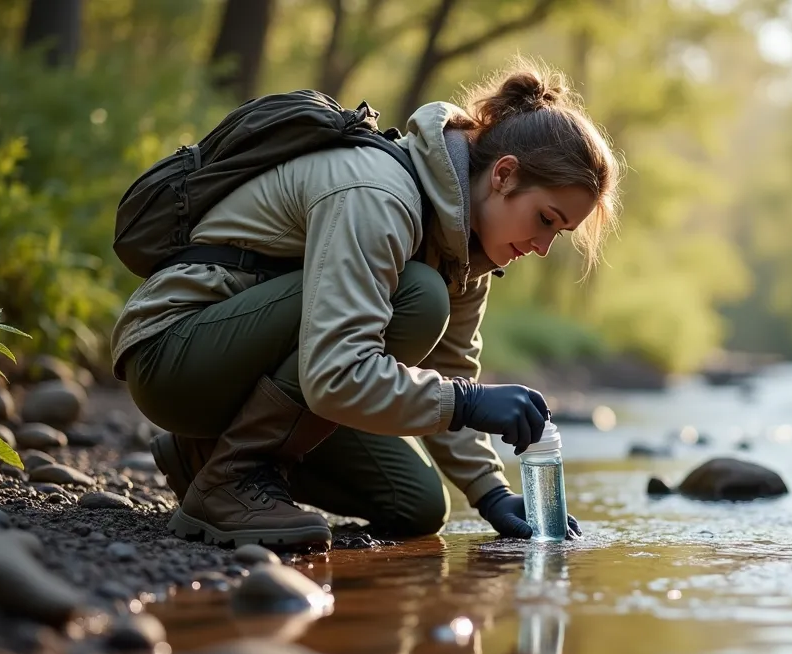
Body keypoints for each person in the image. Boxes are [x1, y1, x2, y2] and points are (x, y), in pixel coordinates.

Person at [109, 58, 622, 550]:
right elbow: (338, 373)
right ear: (504, 175)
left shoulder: (465, 246)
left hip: (252, 370)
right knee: (419, 299)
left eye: (561, 233)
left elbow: (448, 369)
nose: (542, 247)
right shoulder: (379, 195)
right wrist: (467, 403)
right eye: (546, 220)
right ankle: (230, 480)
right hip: (174, 353)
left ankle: (203, 454)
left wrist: (491, 494)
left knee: (416, 505)